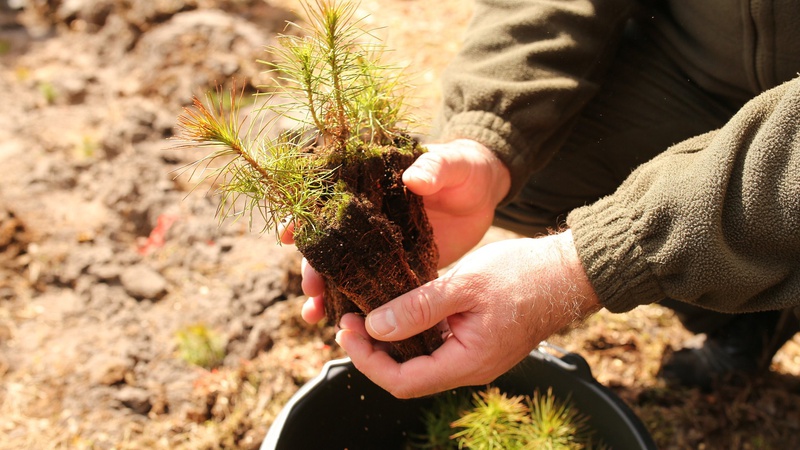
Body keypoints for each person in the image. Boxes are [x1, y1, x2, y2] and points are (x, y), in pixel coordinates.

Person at [283, 0, 800, 397]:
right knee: (526, 170)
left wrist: (589, 260)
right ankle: (746, 315)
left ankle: (768, 262)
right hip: (699, 69)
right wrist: (490, 136)